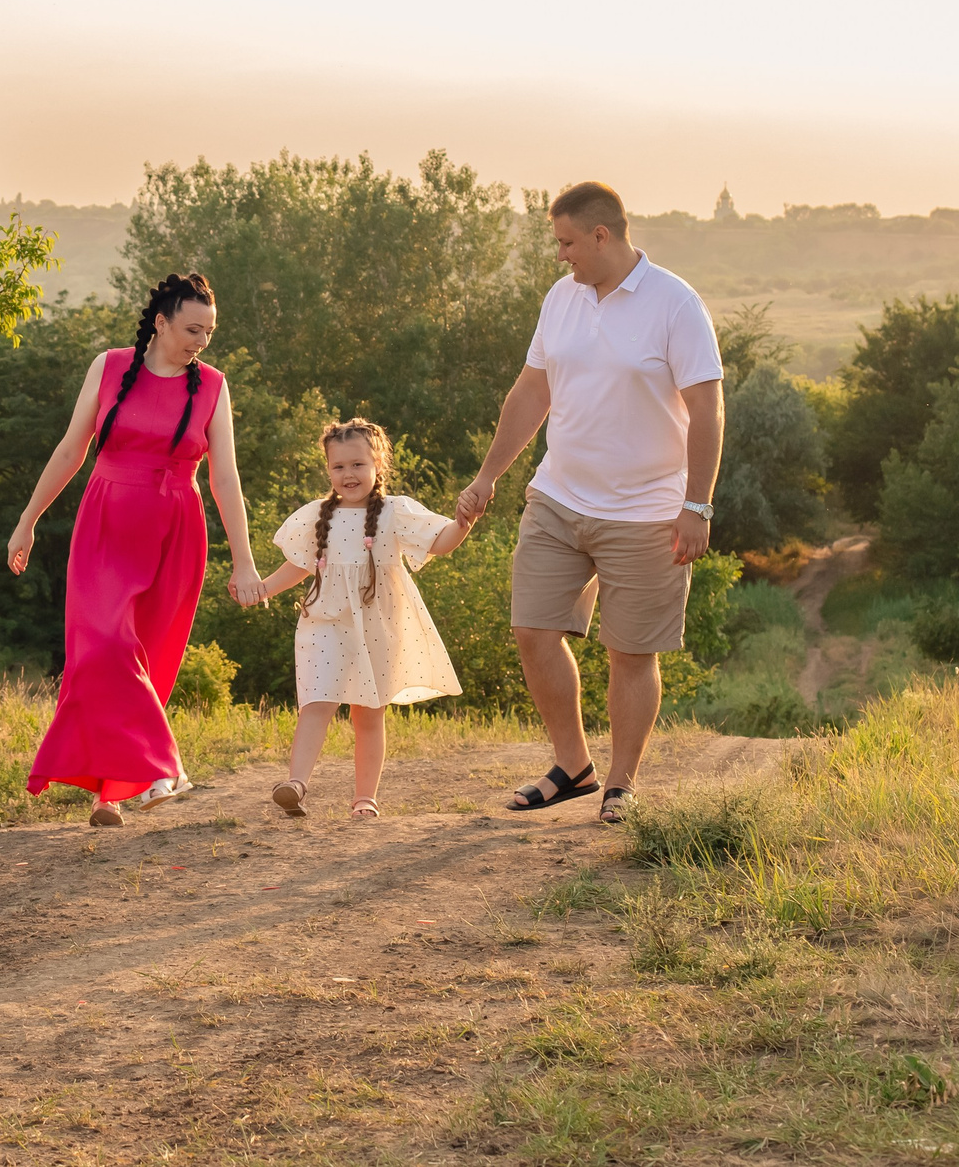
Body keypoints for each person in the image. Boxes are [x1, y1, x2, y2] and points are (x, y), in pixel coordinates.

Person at [455, 182, 724, 826]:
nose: (560, 255)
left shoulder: (675, 304)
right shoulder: (562, 297)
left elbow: (707, 408)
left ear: (602, 236)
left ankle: (622, 784)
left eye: (567, 242)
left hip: (648, 512)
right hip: (557, 497)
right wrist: (489, 474)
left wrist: (698, 505)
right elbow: (531, 391)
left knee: (631, 652)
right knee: (532, 632)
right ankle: (573, 766)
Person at [11, 274, 264, 827]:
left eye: (210, 331)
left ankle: (112, 793)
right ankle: (159, 767)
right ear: (162, 321)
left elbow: (226, 477)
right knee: (101, 647)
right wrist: (28, 519)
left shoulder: (214, 386)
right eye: (193, 328)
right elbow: (72, 448)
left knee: (148, 657)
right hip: (106, 522)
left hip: (176, 530)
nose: (203, 340)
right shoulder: (109, 367)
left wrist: (243, 560)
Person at [244, 418, 472, 819]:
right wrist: (263, 588)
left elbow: (442, 542)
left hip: (377, 626)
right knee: (316, 703)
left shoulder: (394, 512)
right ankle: (296, 784)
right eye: (338, 467)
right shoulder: (317, 515)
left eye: (357, 465)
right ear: (328, 470)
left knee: (368, 715)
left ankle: (365, 798)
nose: (348, 474)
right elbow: (299, 566)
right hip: (325, 622)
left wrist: (464, 522)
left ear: (378, 464)